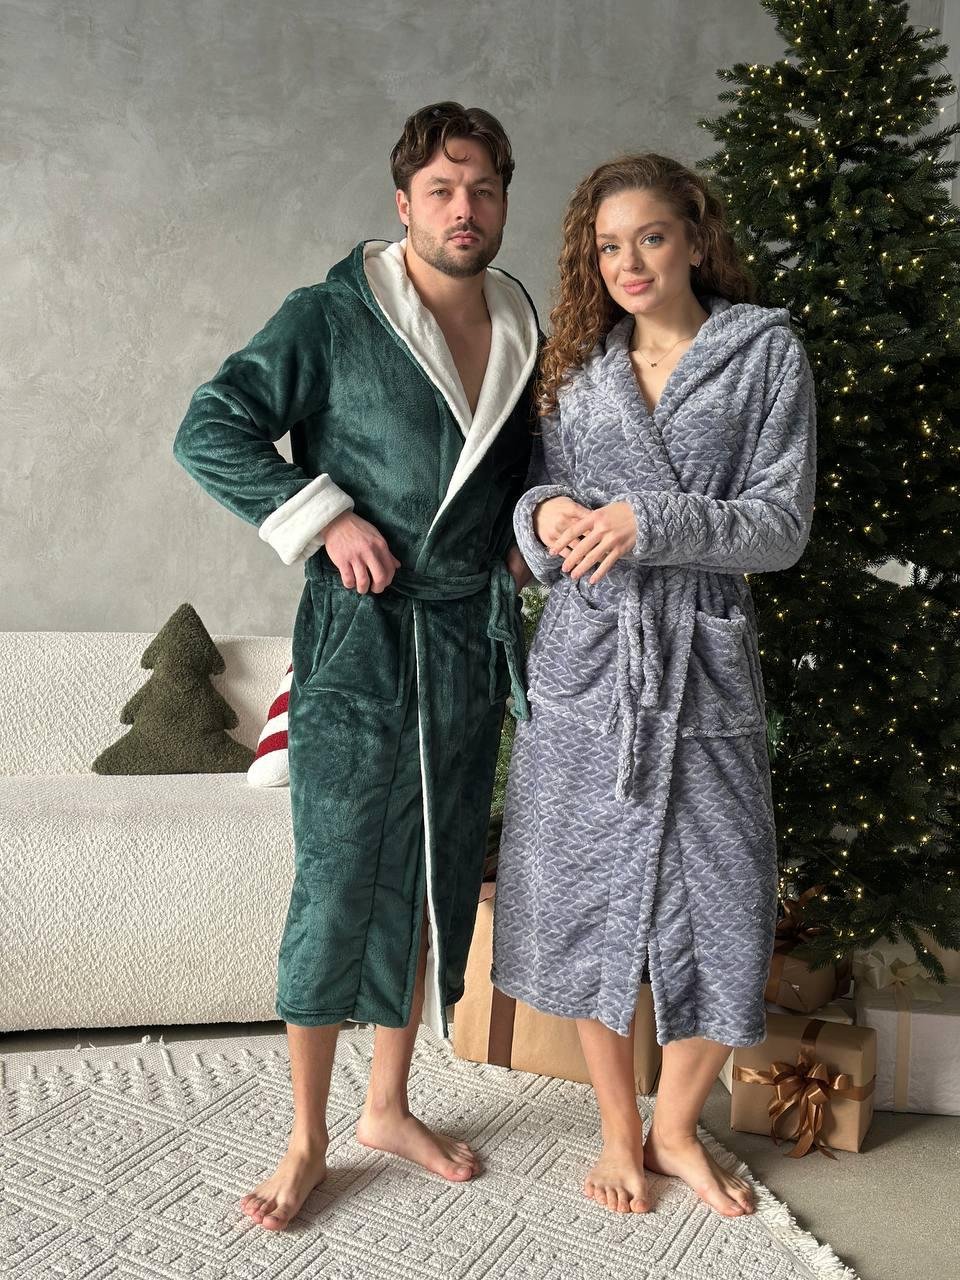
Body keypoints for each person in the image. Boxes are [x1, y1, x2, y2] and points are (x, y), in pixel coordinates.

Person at [172, 101, 539, 1231]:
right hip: (361, 636)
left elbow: (524, 472)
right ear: (403, 202)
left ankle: (387, 1105)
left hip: (464, 640)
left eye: (482, 190)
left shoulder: (523, 323)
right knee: (337, 879)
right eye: (442, 190)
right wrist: (324, 516)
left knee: (431, 875)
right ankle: (306, 1136)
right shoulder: (332, 314)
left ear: (503, 201)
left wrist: (528, 542)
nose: (464, 209)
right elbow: (210, 425)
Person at [492, 154, 817, 1217]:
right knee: (584, 891)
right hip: (589, 658)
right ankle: (616, 1128)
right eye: (607, 246)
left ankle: (675, 1127)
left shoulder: (762, 354)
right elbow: (537, 488)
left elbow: (781, 527)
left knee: (725, 900)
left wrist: (650, 519)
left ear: (693, 237)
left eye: (651, 237)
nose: (628, 262)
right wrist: (543, 514)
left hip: (700, 659)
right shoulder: (578, 367)